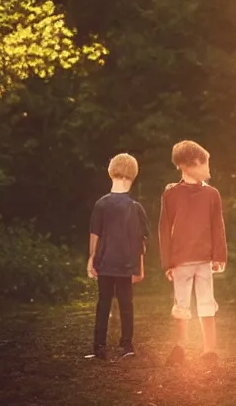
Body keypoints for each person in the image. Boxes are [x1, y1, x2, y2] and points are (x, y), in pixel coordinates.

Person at [158, 140, 227, 367]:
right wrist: (168, 262)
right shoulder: (171, 194)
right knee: (181, 306)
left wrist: (219, 256)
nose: (209, 169)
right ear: (191, 164)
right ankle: (181, 347)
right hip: (180, 261)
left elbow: (218, 225)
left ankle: (210, 351)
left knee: (207, 303)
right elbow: (164, 228)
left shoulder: (212, 195)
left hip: (204, 260)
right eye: (206, 164)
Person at [87, 153, 148, 360]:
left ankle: (99, 347)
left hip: (105, 262)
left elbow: (95, 233)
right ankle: (127, 346)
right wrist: (140, 266)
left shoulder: (101, 204)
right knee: (126, 303)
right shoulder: (135, 207)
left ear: (110, 173)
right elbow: (141, 242)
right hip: (125, 264)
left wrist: (91, 257)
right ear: (133, 176)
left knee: (103, 302)